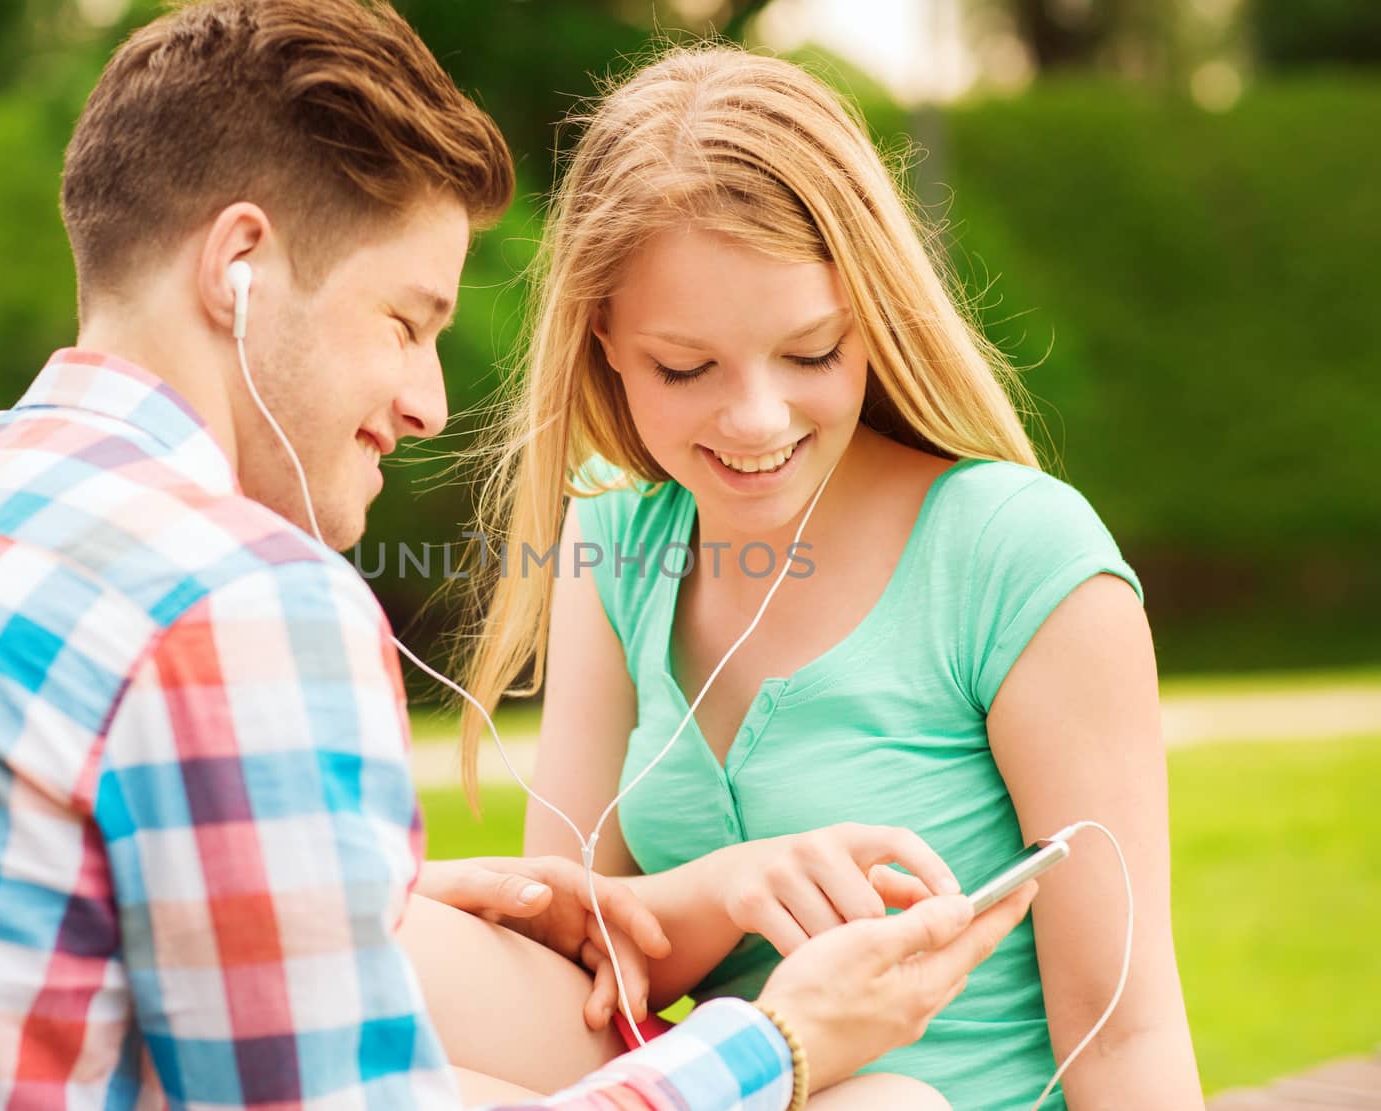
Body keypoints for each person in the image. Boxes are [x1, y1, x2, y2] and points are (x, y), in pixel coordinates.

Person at [0, 3, 1035, 1108]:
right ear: (239, 267)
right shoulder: (244, 601)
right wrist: (780, 1044)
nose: (432, 400)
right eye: (405, 319)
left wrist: (396, 895)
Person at [442, 45, 1206, 1110]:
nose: (755, 420)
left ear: (872, 315)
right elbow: (581, 955)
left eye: (809, 353)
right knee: (403, 949)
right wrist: (730, 891)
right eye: (686, 366)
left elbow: (1125, 1028)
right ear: (602, 337)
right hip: (717, 1084)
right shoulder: (612, 539)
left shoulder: (1012, 554)